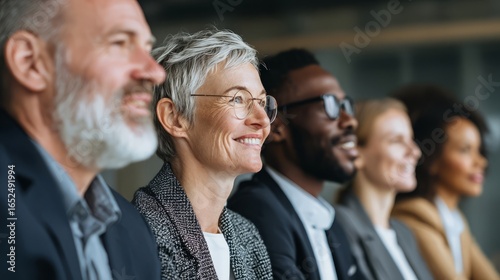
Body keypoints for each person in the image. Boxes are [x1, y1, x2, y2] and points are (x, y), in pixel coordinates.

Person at [0, 0, 166, 279]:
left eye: (147, 49)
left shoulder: (134, 230)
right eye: (121, 43)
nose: (155, 72)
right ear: (30, 62)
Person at [132, 29, 275, 280]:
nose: (262, 120)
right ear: (174, 118)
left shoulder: (248, 236)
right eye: (238, 99)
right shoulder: (141, 233)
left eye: (262, 102)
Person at [228, 48, 366, 280]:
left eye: (345, 105)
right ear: (277, 126)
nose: (349, 120)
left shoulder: (329, 221)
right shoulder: (256, 210)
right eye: (330, 105)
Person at [391, 85, 500, 280]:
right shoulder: (414, 216)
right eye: (465, 150)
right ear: (431, 160)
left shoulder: (453, 219)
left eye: (479, 150)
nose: (481, 162)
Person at [335, 98, 433, 280]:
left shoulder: (404, 233)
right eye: (397, 141)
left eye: (410, 139)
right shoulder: (341, 226)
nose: (415, 151)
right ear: (357, 153)